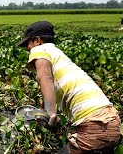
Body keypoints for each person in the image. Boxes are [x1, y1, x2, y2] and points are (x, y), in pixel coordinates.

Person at [17, 21, 121, 153]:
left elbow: (44, 77)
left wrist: (50, 111)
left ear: (37, 40)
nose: (27, 49)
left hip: (93, 126)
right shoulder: (59, 56)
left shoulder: (39, 50)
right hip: (112, 123)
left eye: (28, 44)